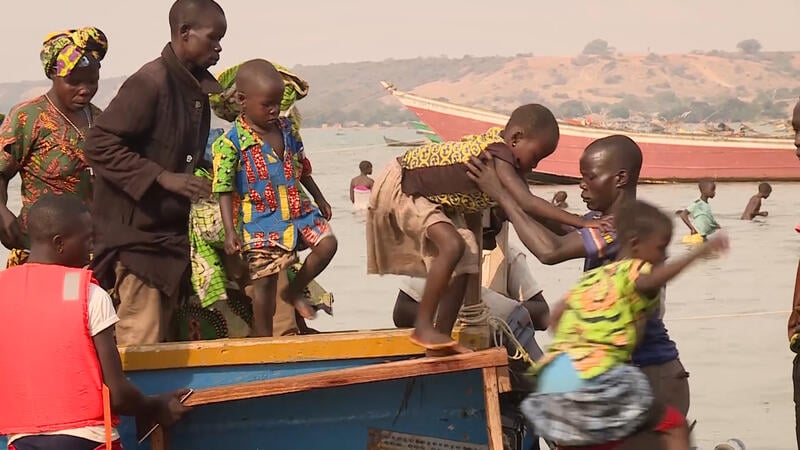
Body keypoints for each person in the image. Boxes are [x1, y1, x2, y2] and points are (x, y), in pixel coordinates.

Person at [466, 136, 692, 430]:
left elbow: (550, 250)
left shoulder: (625, 228)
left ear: (620, 178)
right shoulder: (600, 220)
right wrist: (507, 176)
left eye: (590, 177)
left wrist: (501, 196)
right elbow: (541, 215)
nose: (581, 185)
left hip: (649, 376)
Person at [367, 104, 610, 354]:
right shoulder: (498, 154)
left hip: (429, 198)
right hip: (405, 185)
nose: (535, 166)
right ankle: (424, 328)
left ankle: (440, 339)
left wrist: (577, 228)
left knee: (467, 256)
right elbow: (527, 202)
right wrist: (581, 222)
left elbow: (529, 209)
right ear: (516, 138)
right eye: (536, 157)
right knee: (453, 245)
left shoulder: (505, 160)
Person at [521, 200, 727, 449]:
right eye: (661, 247)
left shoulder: (592, 278)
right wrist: (697, 254)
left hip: (555, 381)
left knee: (584, 442)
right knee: (674, 426)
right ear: (635, 244)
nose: (664, 256)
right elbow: (650, 281)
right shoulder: (635, 269)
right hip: (595, 377)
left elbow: (555, 318)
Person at [84, 0, 226, 346]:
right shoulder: (151, 82)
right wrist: (162, 177)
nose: (219, 48)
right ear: (184, 32)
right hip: (135, 243)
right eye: (213, 38)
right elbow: (98, 144)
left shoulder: (195, 91)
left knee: (168, 347)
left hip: (169, 242)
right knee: (141, 346)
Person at [0, 195, 190, 450]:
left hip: (23, 440)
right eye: (87, 239)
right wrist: (155, 405)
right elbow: (118, 395)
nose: (92, 247)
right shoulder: (88, 294)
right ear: (59, 243)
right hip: (88, 439)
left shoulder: (4, 288)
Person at [213, 59, 337, 337]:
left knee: (327, 245)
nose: (274, 110)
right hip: (260, 221)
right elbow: (223, 188)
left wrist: (319, 197)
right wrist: (230, 231)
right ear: (243, 101)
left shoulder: (287, 129)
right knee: (264, 289)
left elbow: (301, 167)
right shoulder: (231, 143)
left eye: (278, 104)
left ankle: (293, 291)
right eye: (267, 105)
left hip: (297, 210)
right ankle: (263, 341)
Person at [0, 27, 107, 268]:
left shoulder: (101, 120)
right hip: (39, 252)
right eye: (74, 82)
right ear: (53, 75)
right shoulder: (28, 117)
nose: (85, 89)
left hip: (90, 254)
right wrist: (2, 214)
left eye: (92, 81)